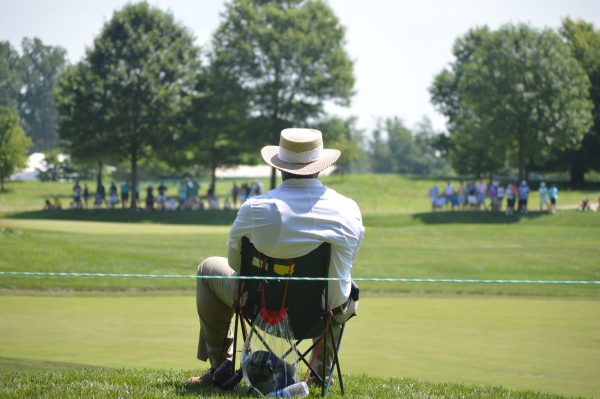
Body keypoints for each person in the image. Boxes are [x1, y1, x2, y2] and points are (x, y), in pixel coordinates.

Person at [189, 128, 365, 387]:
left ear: (280, 167)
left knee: (207, 269)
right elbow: (345, 264)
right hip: (321, 315)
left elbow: (236, 266)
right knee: (347, 289)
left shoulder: (254, 207)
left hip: (259, 308)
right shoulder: (348, 208)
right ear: (320, 166)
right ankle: (318, 377)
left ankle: (221, 368)